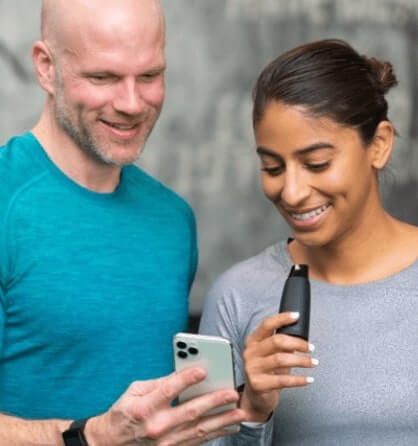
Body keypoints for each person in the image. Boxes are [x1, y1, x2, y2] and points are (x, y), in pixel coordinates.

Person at [0, 0, 247, 444]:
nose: (132, 104)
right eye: (103, 77)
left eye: (150, 76)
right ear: (45, 67)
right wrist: (88, 437)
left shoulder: (173, 220)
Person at [199, 38, 418, 445]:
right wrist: (253, 410)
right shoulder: (236, 297)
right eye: (273, 166)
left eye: (317, 164)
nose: (292, 192)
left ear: (380, 144)